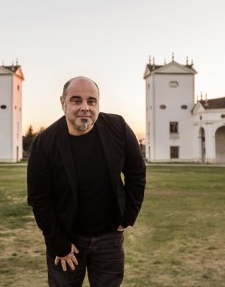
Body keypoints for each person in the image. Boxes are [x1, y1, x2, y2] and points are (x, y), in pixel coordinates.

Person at [27, 76, 146, 287]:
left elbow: (136, 172)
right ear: (62, 103)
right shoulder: (44, 143)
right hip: (67, 241)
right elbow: (40, 199)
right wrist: (59, 244)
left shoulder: (117, 127)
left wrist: (128, 216)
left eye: (91, 101)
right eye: (76, 100)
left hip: (110, 237)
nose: (85, 107)